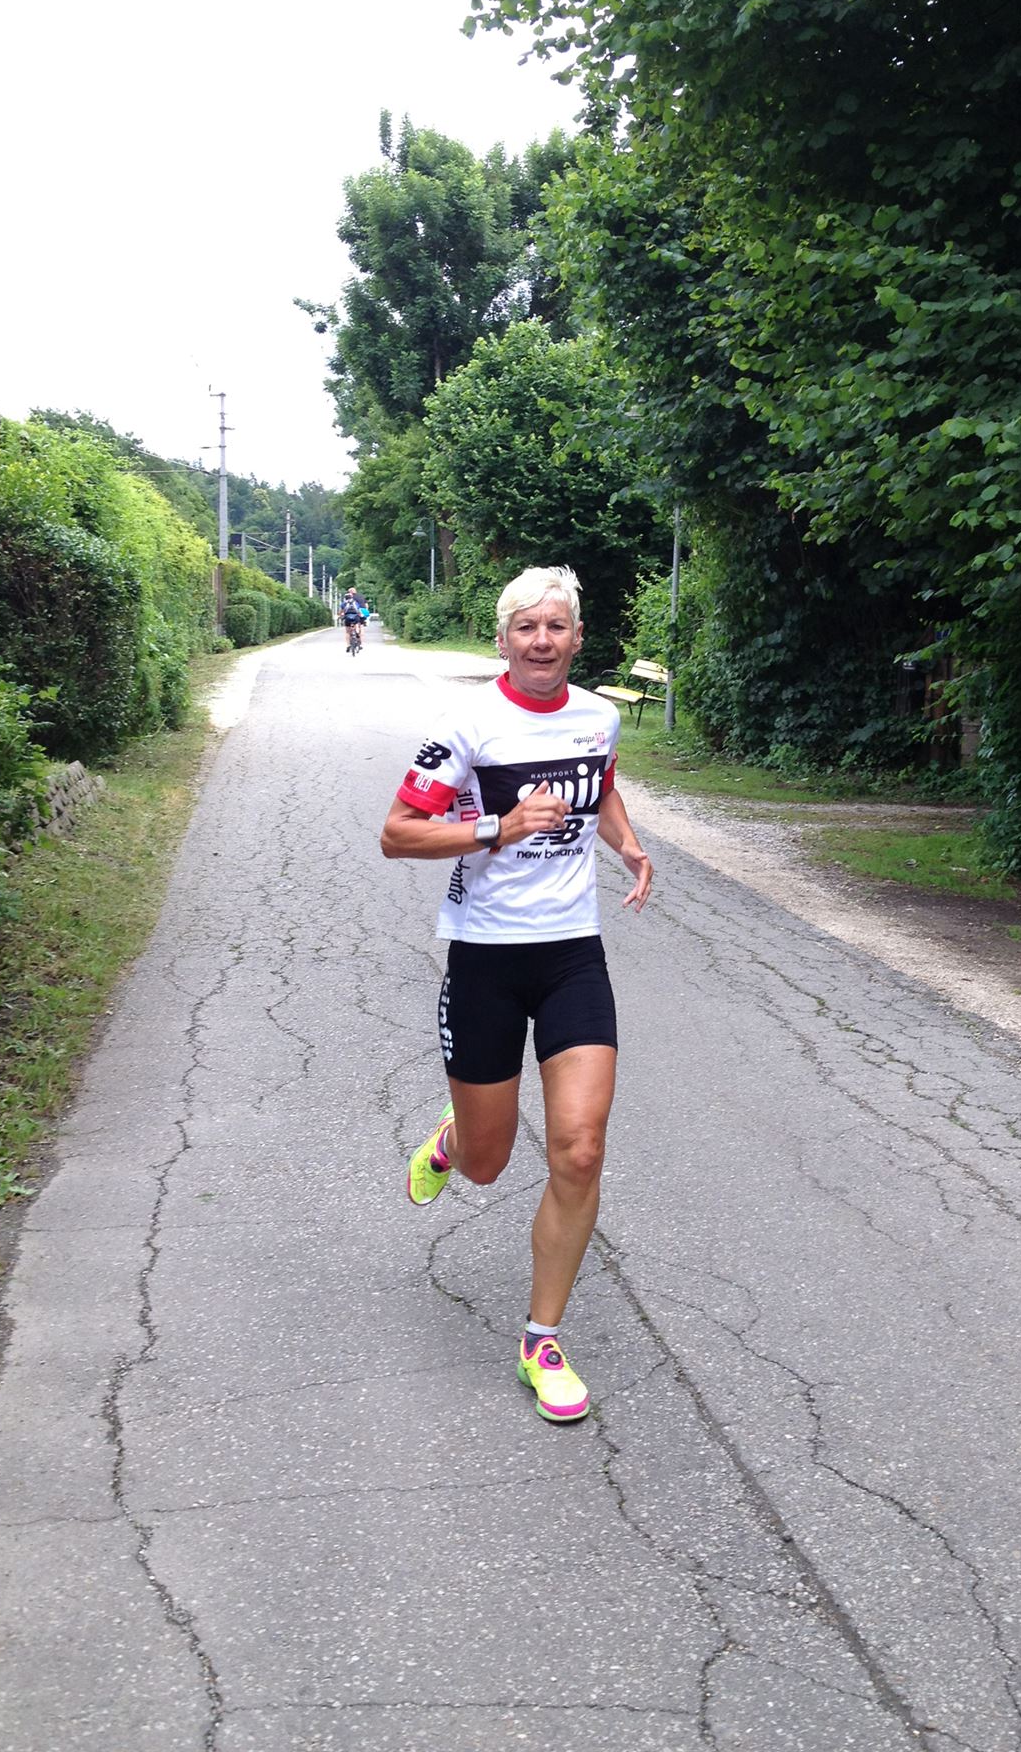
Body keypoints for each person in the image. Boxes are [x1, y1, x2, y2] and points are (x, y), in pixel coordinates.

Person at [380, 565, 653, 1422]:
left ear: (577, 638)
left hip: (572, 955)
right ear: (502, 640)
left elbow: (600, 784)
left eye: (556, 626)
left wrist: (626, 844)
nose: (542, 640)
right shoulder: (468, 726)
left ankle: (542, 1340)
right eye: (526, 627)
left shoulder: (599, 717)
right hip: (486, 959)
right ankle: (453, 1140)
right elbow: (398, 833)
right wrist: (498, 826)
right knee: (488, 1163)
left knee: (580, 1148)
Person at [341, 587, 367, 651]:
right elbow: (366, 605)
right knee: (360, 626)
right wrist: (364, 613)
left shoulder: (345, 602)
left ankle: (348, 645)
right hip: (359, 614)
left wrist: (341, 616)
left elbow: (342, 611)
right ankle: (359, 640)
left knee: (347, 631)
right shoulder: (361, 597)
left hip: (348, 617)